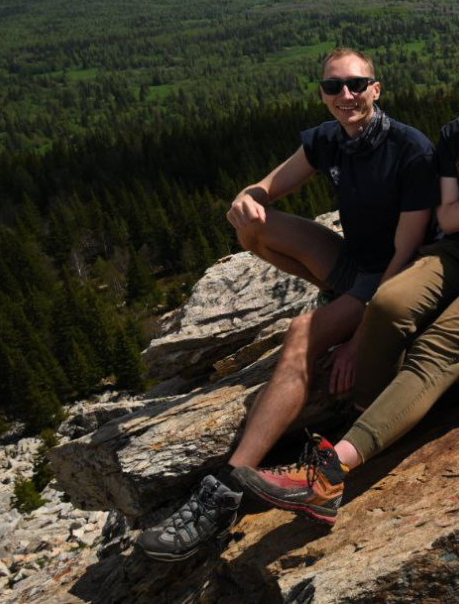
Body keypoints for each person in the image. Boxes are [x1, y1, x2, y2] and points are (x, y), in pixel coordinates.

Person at [227, 29, 459, 525]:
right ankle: (371, 418)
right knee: (387, 304)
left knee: (436, 348)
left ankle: (329, 473)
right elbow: (449, 220)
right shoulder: (457, 135)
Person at [136, 47, 438, 560]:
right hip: (352, 264)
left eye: (356, 84)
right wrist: (248, 195)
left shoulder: (411, 149)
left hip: (392, 274)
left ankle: (226, 491)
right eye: (333, 87)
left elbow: (407, 255)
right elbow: (267, 188)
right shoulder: (328, 140)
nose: (346, 95)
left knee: (302, 331)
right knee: (251, 223)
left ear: (377, 88)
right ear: (323, 94)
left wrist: (358, 337)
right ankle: (337, 302)